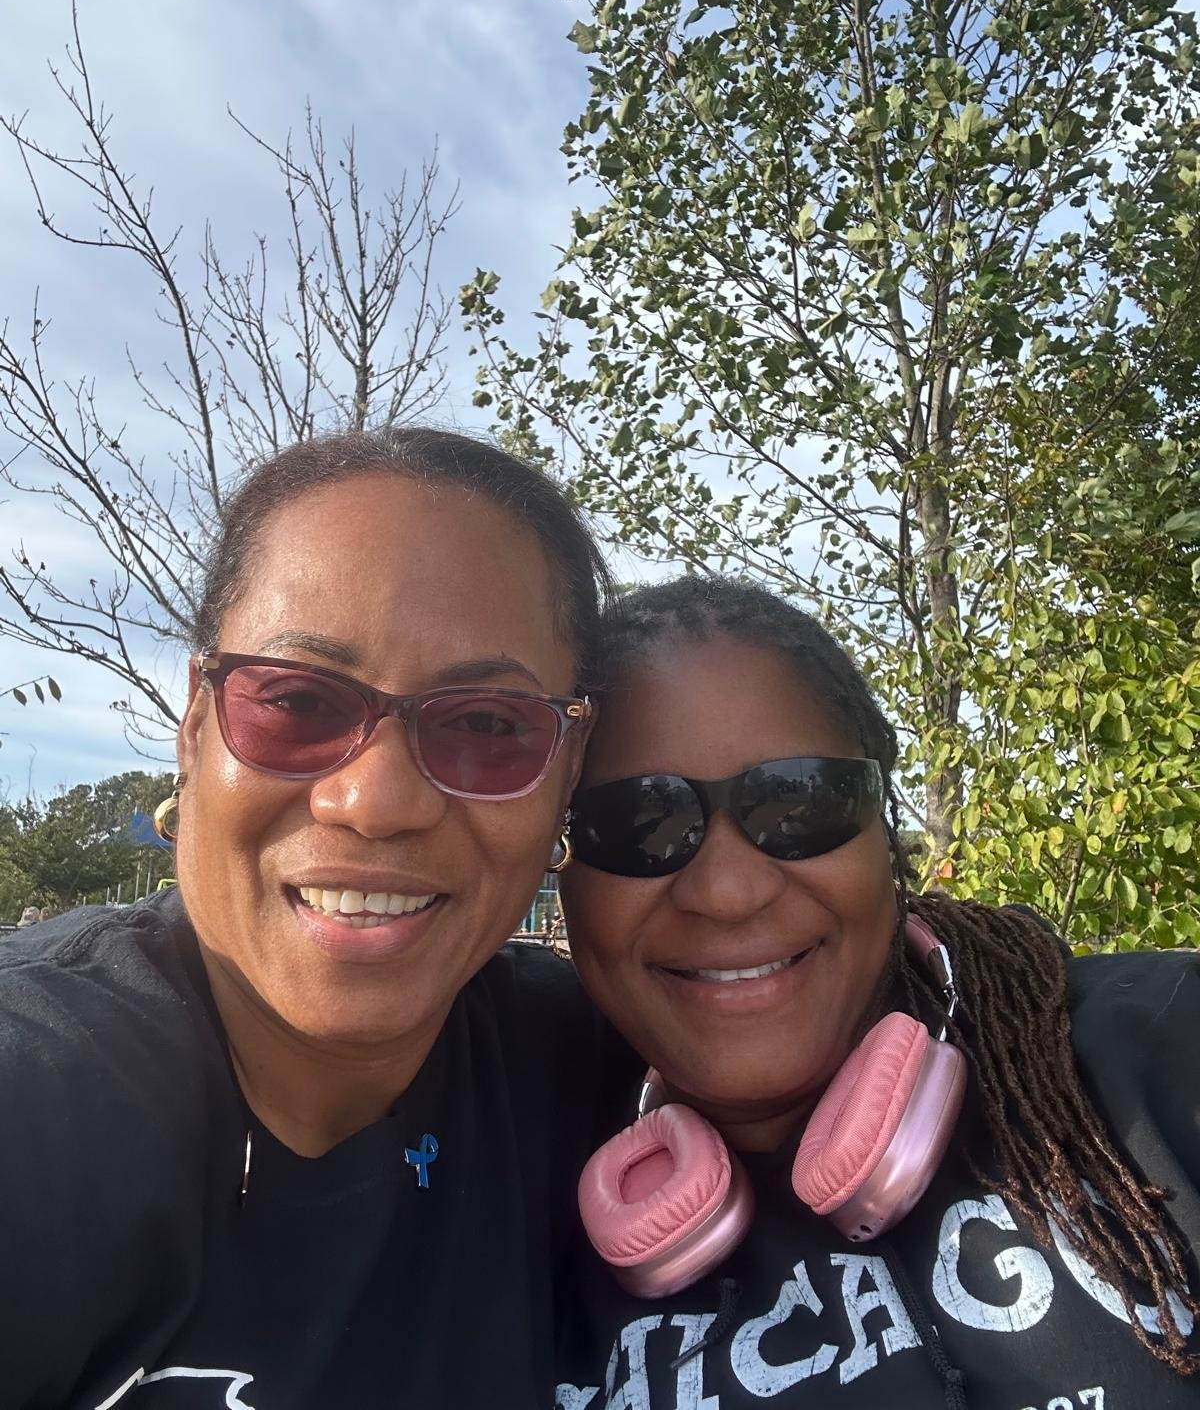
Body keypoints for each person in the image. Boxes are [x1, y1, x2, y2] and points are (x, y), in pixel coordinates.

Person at [0, 426, 632, 1410]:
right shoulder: (38, 1101)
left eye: (488, 725)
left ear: (569, 773)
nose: (376, 802)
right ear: (196, 725)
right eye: (296, 702)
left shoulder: (589, 1068)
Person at [555, 575, 1200, 1409]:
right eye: (637, 823)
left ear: (883, 833)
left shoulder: (1157, 1045)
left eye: (799, 800)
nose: (727, 892)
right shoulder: (511, 1160)